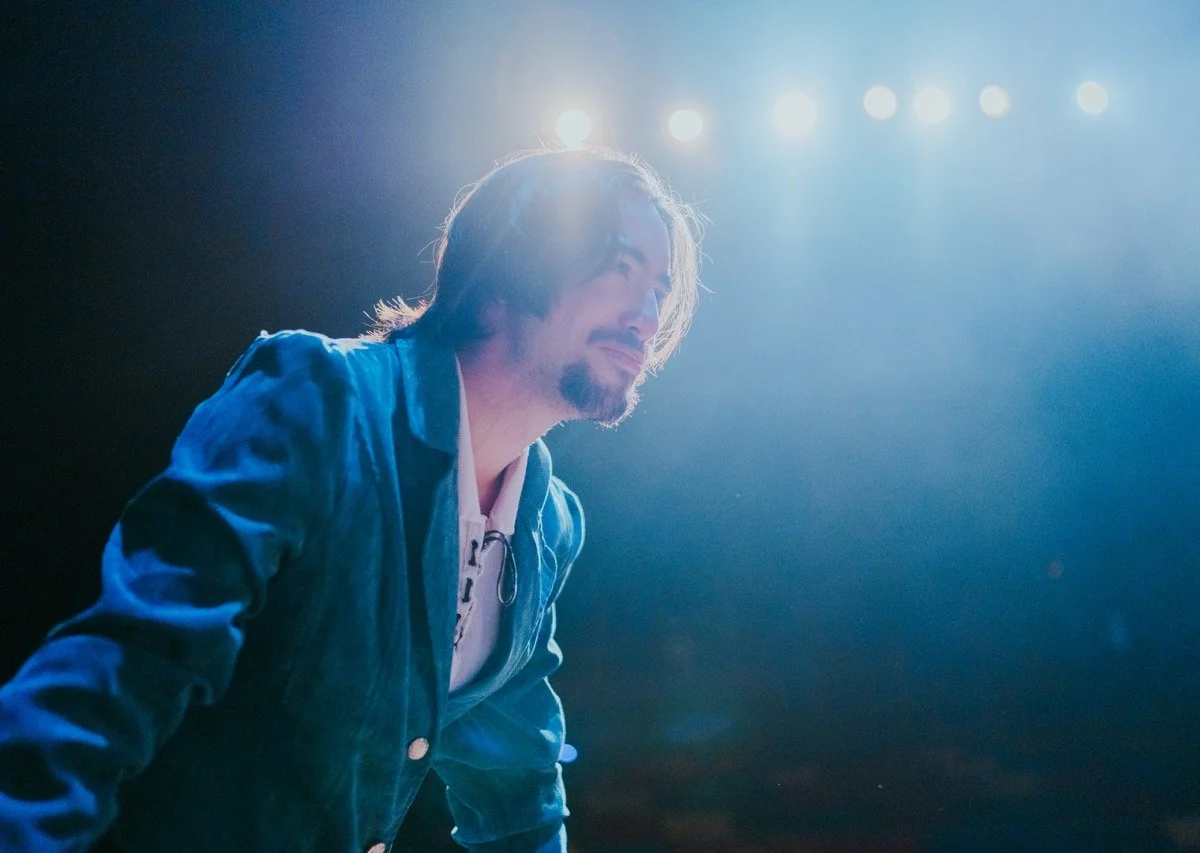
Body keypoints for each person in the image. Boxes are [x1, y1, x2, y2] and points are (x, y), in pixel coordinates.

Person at [0, 146, 702, 852]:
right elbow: (130, 662)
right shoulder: (321, 396)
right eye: (621, 268)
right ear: (514, 265)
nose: (648, 316)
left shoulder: (547, 519)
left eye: (659, 290)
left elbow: (519, 793)